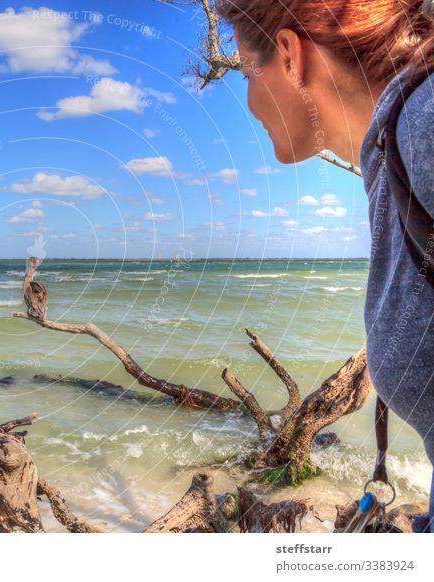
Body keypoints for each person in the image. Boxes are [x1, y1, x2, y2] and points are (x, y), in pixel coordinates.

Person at [216, 0, 434, 532]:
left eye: (248, 71)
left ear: (290, 55)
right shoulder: (396, 145)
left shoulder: (423, 125)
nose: (247, 99)